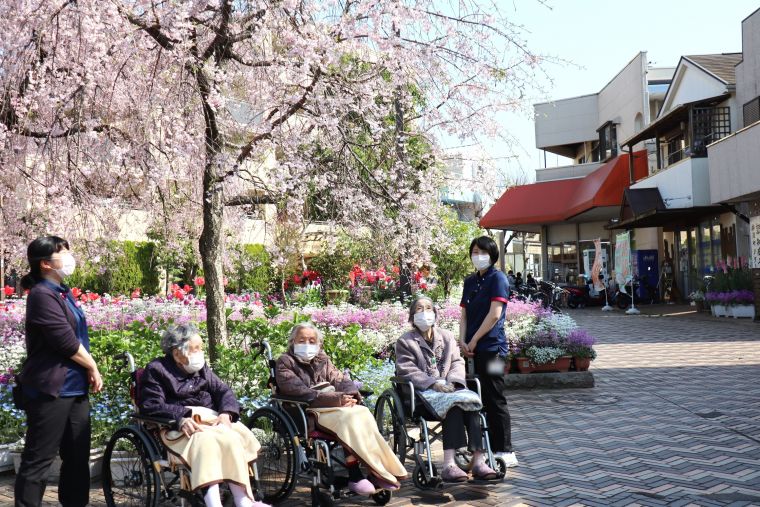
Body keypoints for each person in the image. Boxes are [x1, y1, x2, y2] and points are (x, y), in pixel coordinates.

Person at [14, 236, 103, 507]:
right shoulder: (41, 295)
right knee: (39, 460)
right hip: (50, 390)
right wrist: (93, 365)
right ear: (44, 264)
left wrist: (87, 368)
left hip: (75, 388)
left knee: (77, 457)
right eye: (61, 253)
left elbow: (76, 337)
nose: (68, 257)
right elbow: (64, 341)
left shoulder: (63, 291)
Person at [140, 324, 269, 507]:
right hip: (177, 427)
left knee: (234, 435)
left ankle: (244, 501)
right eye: (196, 348)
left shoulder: (201, 369)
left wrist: (226, 413)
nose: (201, 353)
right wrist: (180, 418)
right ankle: (213, 503)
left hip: (210, 418)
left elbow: (223, 391)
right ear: (177, 354)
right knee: (206, 442)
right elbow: (151, 404)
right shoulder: (157, 369)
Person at [276, 323, 407, 495]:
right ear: (293, 342)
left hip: (333, 405)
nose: (307, 344)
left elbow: (339, 379)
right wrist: (336, 399)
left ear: (318, 344)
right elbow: (298, 391)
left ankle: (379, 470)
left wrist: (350, 394)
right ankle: (355, 475)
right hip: (309, 410)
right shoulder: (285, 362)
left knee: (362, 412)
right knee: (348, 420)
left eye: (312, 340)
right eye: (302, 340)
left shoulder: (322, 359)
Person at [395, 296, 500, 482]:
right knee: (453, 405)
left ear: (435, 314)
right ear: (412, 316)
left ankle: (478, 460)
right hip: (422, 393)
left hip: (450, 387)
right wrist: (432, 383)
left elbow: (458, 362)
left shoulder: (446, 336)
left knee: (471, 403)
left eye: (428, 308)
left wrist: (453, 382)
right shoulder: (405, 341)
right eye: (419, 309)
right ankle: (449, 464)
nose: (425, 312)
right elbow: (406, 369)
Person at [459, 236, 518, 468]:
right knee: (474, 399)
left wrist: (473, 340)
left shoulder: (498, 278)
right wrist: (462, 342)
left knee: (495, 397)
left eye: (482, 252)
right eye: (474, 251)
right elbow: (463, 315)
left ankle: (504, 450)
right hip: (471, 351)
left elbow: (495, 315)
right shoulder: (469, 282)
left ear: (492, 255)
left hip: (494, 351)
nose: (478, 256)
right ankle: (480, 450)